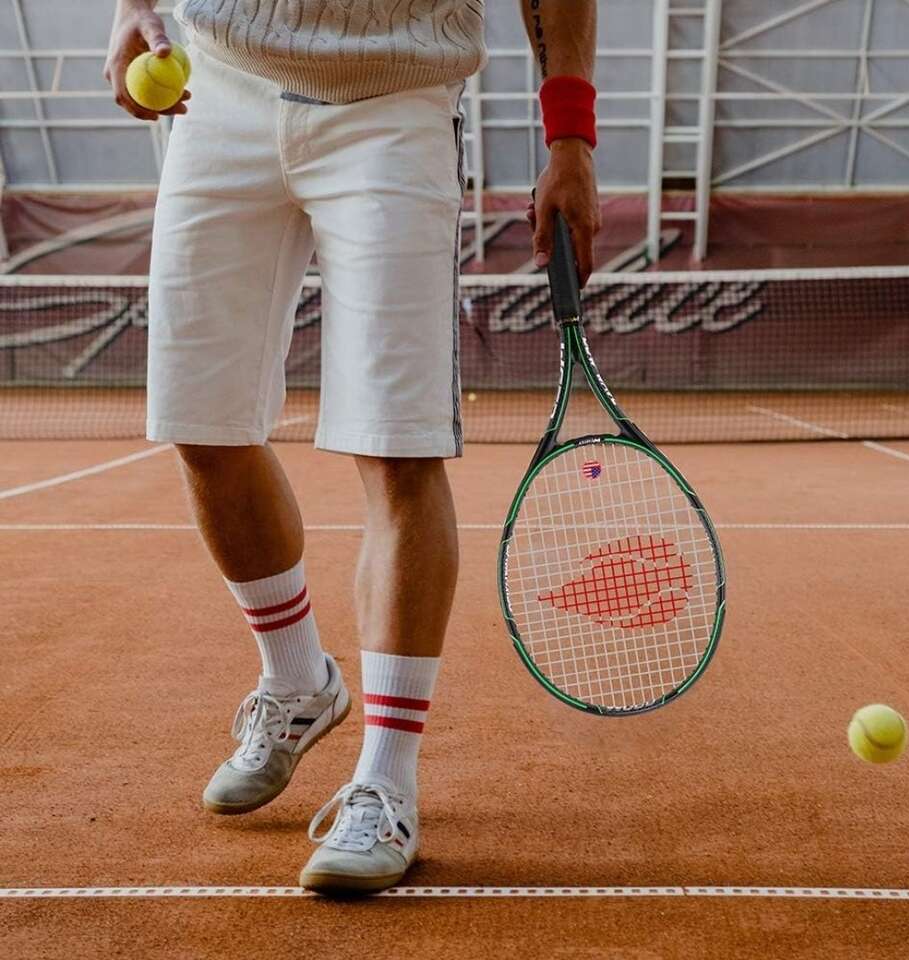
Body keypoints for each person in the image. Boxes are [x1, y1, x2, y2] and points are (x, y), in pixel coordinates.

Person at [104, 0, 599, 894]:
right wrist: (134, 8)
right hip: (219, 92)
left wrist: (571, 140)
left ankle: (385, 781)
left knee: (397, 448)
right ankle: (298, 680)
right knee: (200, 427)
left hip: (393, 106)